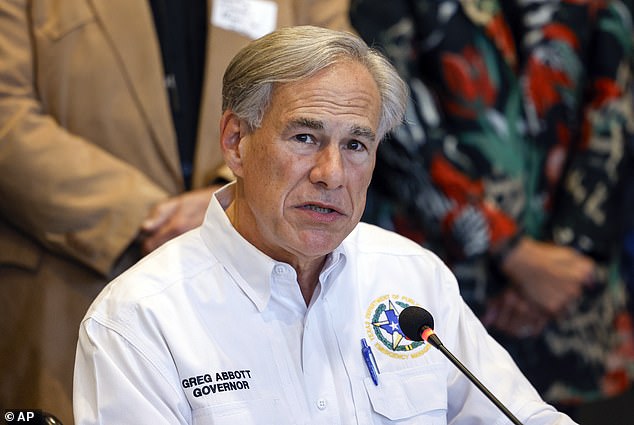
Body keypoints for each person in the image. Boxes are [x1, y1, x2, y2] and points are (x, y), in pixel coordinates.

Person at [73, 25, 576, 424]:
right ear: (236, 141)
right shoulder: (139, 319)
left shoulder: (413, 278)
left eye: (356, 145)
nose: (331, 174)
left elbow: (524, 417)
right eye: (305, 137)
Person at [0, 1, 351, 423]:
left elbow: (345, 90)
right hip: (72, 276)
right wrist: (147, 215)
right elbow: (8, 114)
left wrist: (229, 191)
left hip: (263, 268)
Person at [350, 0, 634, 420]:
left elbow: (613, 113)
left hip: (575, 305)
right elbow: (391, 116)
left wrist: (567, 259)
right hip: (441, 292)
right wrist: (511, 251)